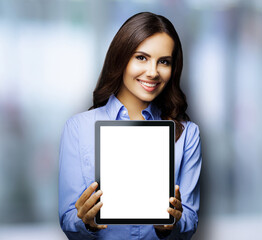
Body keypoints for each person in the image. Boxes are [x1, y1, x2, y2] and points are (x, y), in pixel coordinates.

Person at [58, 12, 202, 239]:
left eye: (164, 61)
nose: (153, 72)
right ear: (121, 58)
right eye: (142, 57)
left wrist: (173, 223)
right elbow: (67, 219)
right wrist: (83, 221)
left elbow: (190, 220)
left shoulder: (187, 134)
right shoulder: (78, 128)